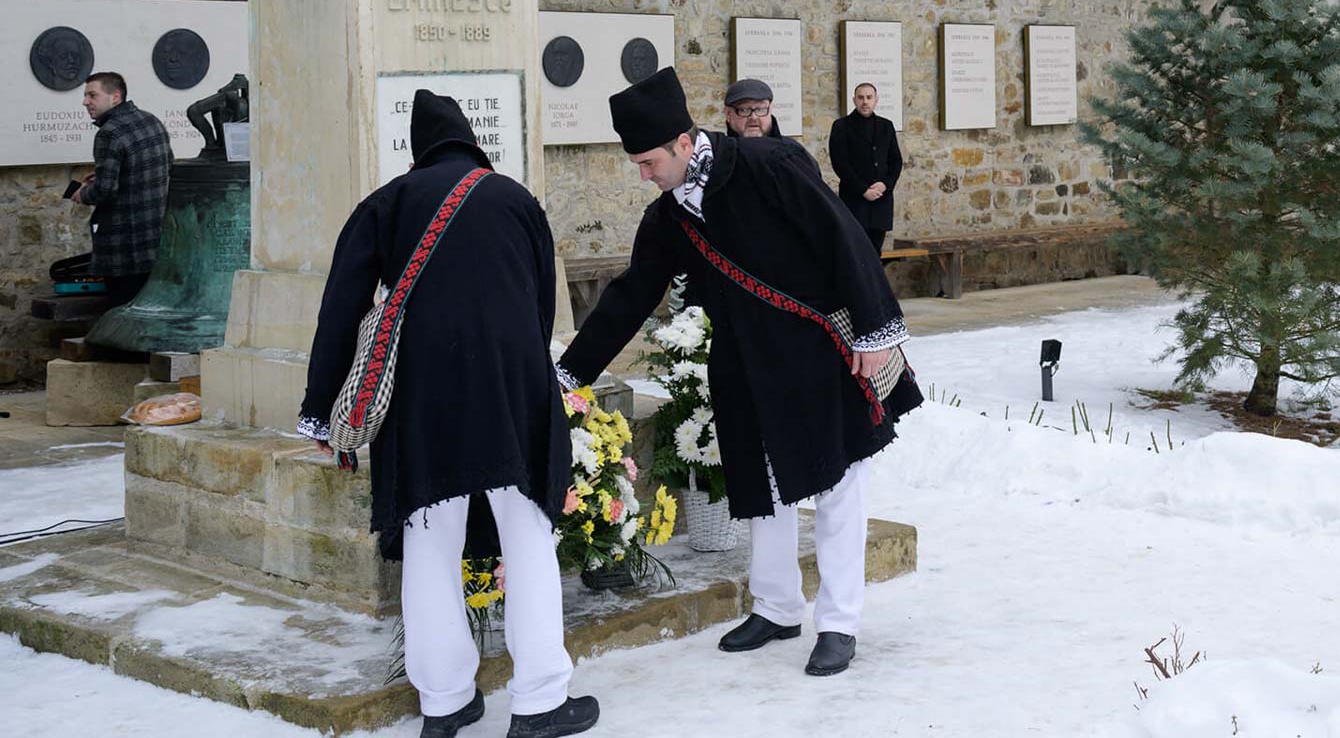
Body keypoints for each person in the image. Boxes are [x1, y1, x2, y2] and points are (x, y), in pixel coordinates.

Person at [558, 67, 921, 677]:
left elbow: (845, 239)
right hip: (744, 361)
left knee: (837, 485)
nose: (644, 176)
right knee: (766, 486)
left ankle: (838, 621)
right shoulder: (669, 216)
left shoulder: (771, 164)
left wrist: (877, 331)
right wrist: (570, 375)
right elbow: (629, 297)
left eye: (648, 162)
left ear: (681, 143)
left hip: (816, 349)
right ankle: (778, 606)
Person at [297, 91, 595, 738]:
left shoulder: (388, 204)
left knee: (431, 543)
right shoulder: (515, 198)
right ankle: (542, 700)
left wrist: (322, 411)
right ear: (469, 141)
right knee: (527, 535)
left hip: (424, 395)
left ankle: (445, 703)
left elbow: (340, 310)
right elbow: (543, 301)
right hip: (514, 389)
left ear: (417, 148)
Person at [71, 72, 173, 308]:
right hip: (155, 240)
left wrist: (82, 193)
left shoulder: (109, 132)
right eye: (86, 95)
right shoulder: (152, 121)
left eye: (92, 95)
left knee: (121, 318)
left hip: (123, 247)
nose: (85, 101)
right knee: (150, 313)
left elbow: (105, 191)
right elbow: (165, 165)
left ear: (115, 97)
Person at [829, 83, 903, 253]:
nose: (865, 102)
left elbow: (896, 161)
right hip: (854, 200)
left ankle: (875, 281)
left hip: (881, 200)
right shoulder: (841, 126)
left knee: (875, 252)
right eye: (861, 97)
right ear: (854, 100)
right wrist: (863, 190)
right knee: (855, 252)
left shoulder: (886, 126)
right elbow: (840, 164)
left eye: (869, 97)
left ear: (876, 100)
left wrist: (885, 184)